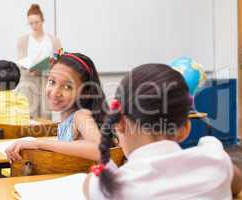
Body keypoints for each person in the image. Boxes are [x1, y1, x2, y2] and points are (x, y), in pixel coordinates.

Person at [84, 64, 242, 199]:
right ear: (184, 130)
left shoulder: (110, 188)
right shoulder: (216, 161)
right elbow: (236, 183)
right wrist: (212, 147)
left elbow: (89, 183)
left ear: (119, 123)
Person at [6, 52, 108, 161]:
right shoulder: (66, 119)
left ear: (85, 92)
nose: (54, 92)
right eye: (52, 81)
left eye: (67, 87)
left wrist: (38, 144)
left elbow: (100, 150)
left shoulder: (81, 116)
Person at [17, 4, 62, 119]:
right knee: (29, 114)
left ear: (42, 20)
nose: (34, 25)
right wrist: (29, 68)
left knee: (45, 115)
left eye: (36, 22)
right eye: (31, 23)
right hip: (28, 81)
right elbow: (21, 60)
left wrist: (50, 64)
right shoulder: (23, 40)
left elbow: (60, 55)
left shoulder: (54, 40)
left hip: (46, 80)